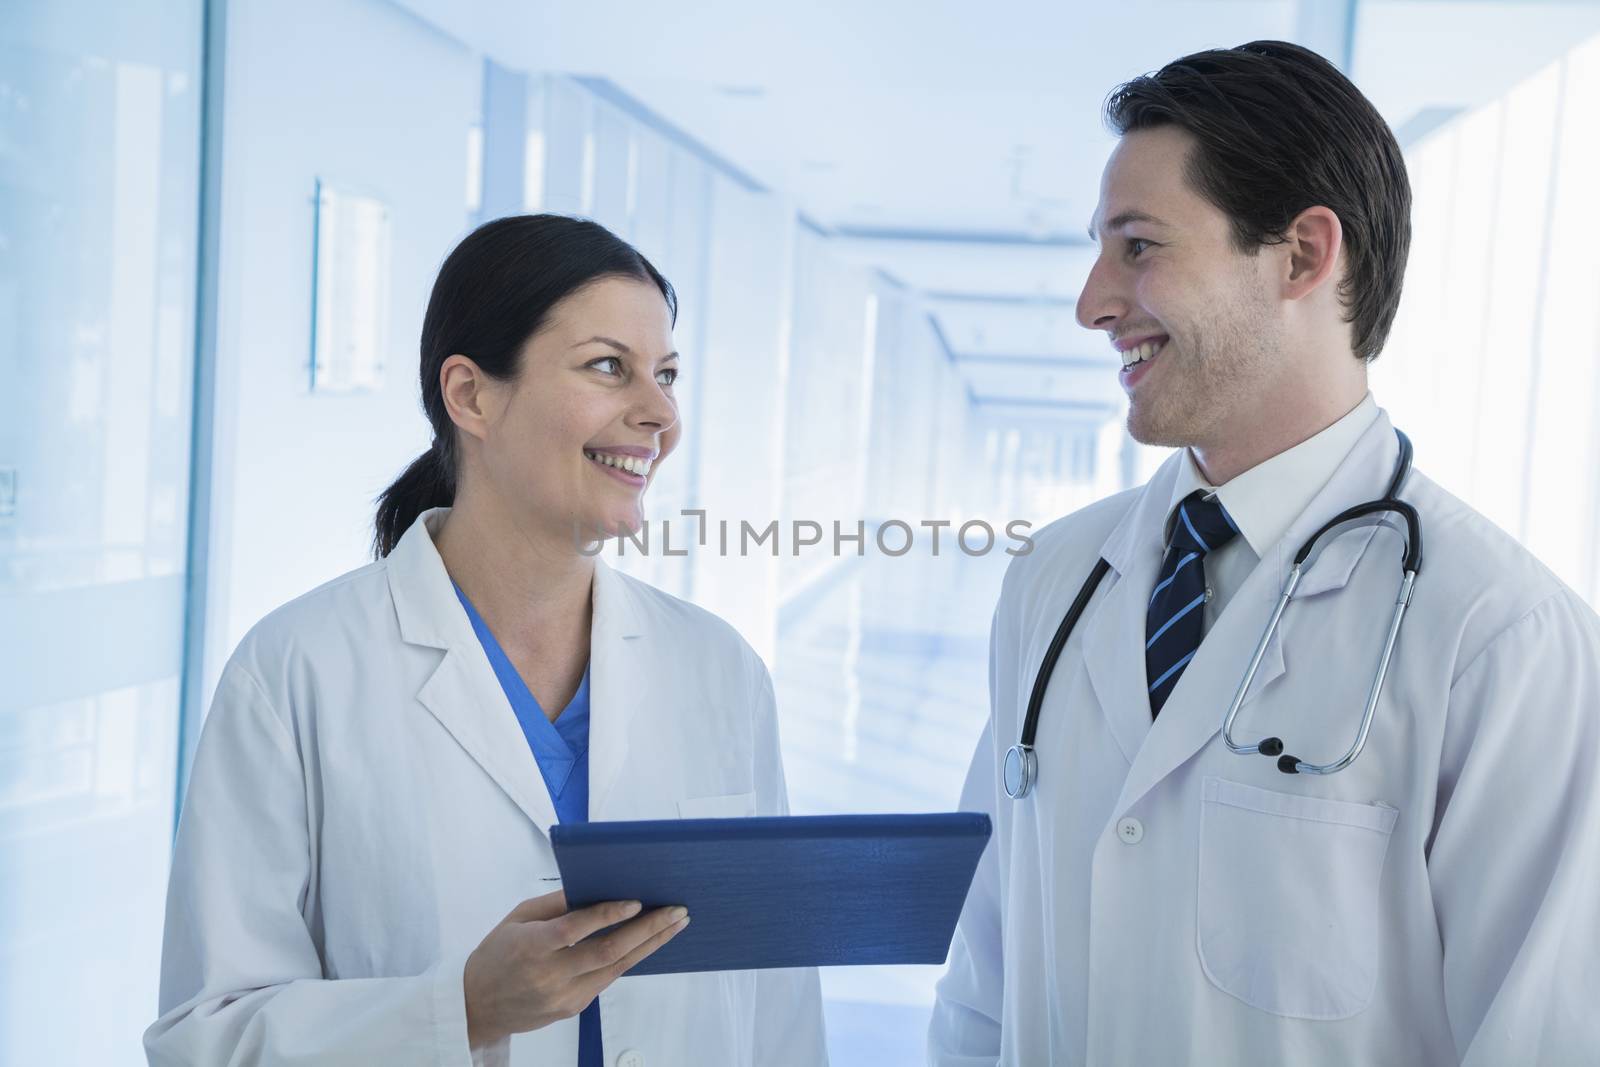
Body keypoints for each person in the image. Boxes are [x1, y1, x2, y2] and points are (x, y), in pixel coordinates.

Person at [928, 41, 1600, 1066]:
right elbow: (983, 977)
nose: (1092, 302)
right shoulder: (1054, 581)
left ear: (1301, 255)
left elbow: (1539, 1039)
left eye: (1139, 247)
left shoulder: (1498, 636)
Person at [145, 215, 828, 1066]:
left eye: (668, 374)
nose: (659, 414)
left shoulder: (719, 669)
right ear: (470, 395)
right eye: (609, 366)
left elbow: (779, 1011)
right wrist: (458, 1011)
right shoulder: (297, 670)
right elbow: (205, 1034)